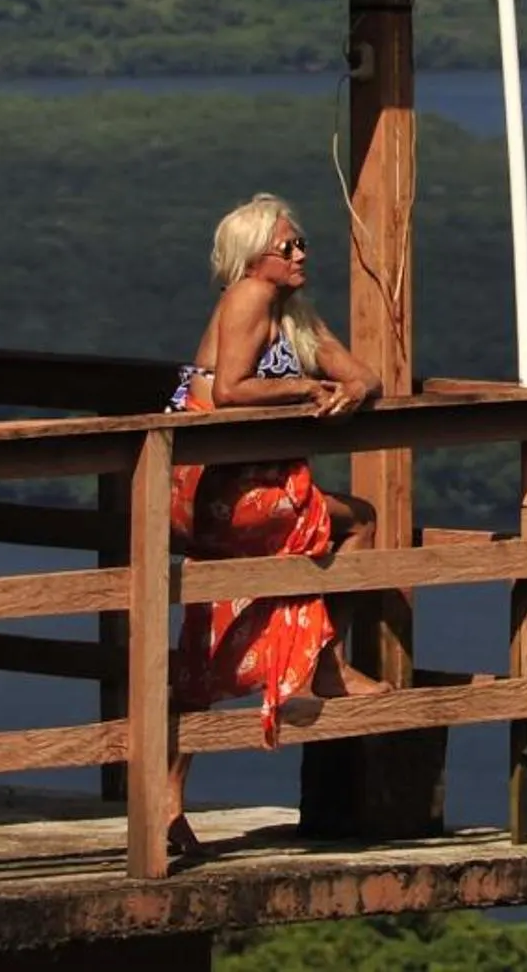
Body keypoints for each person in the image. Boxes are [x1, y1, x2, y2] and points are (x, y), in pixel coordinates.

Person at [164, 193, 386, 856]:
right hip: (224, 488)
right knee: (356, 522)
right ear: (253, 255)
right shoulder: (248, 298)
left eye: (299, 244)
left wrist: (351, 387)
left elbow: (361, 375)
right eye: (286, 246)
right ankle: (321, 666)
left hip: (250, 482)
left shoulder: (293, 313)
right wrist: (307, 391)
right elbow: (230, 389)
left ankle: (167, 803)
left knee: (216, 636)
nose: (299, 254)